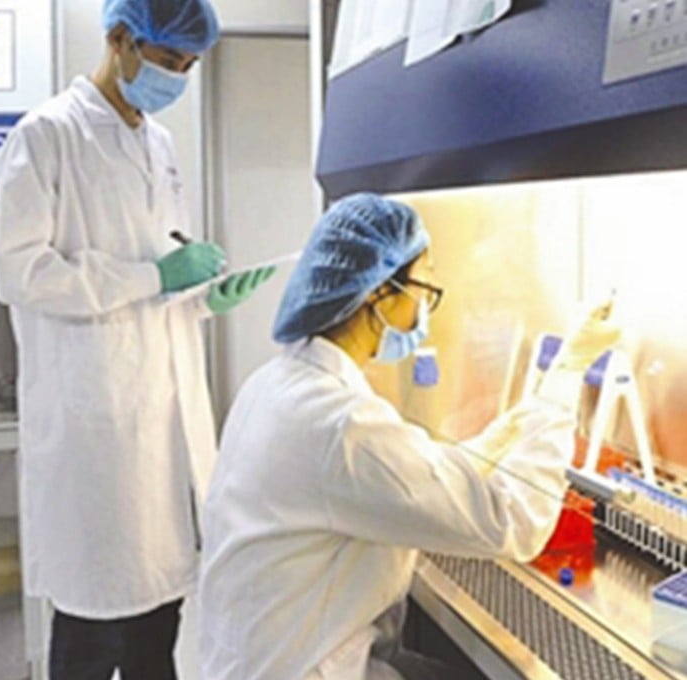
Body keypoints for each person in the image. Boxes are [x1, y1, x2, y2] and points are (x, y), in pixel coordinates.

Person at [198, 193, 620, 680]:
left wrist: (502, 438)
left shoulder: (278, 383)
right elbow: (514, 522)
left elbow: (405, 473)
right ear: (378, 292)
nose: (425, 308)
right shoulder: (340, 424)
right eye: (423, 287)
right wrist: (567, 376)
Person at [0, 1, 275, 677]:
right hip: (96, 425)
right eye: (170, 60)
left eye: (189, 65)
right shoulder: (46, 135)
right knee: (94, 623)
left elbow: (158, 274)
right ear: (120, 39)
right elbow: (22, 273)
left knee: (160, 615)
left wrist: (203, 297)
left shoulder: (159, 144)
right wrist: (156, 276)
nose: (179, 77)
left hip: (161, 417)